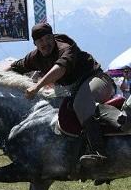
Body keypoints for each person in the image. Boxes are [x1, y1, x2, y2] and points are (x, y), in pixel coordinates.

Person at [10, 22, 114, 166]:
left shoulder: (66, 47)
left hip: (97, 79)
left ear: (53, 38)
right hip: (74, 90)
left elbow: (60, 69)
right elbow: (15, 67)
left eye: (48, 39)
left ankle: (100, 155)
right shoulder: (34, 57)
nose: (45, 43)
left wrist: (37, 86)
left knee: (81, 104)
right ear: (35, 43)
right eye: (40, 41)